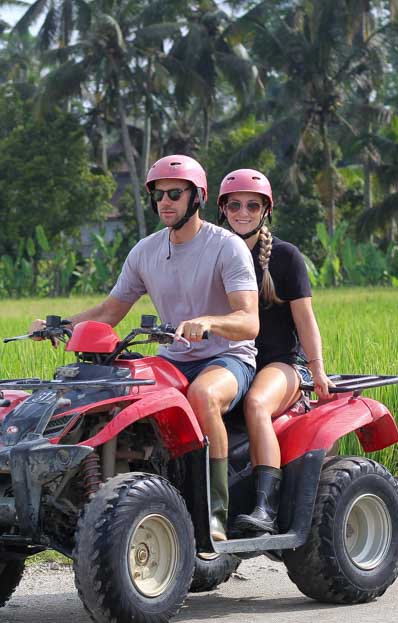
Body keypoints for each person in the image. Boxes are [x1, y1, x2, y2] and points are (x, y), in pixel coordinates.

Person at [30, 155, 259, 542]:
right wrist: (60, 325)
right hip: (172, 358)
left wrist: (210, 322)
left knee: (203, 395)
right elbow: (109, 311)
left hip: (227, 358)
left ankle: (216, 512)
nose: (164, 202)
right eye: (157, 195)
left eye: (174, 193)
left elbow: (249, 321)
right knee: (116, 392)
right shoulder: (145, 252)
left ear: (197, 197)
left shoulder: (227, 247)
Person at [216, 169, 335, 535]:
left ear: (266, 210)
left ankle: (265, 507)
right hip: (231, 360)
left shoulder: (285, 257)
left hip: (279, 364)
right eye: (234, 205)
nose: (243, 212)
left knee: (255, 404)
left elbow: (305, 319)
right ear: (222, 209)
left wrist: (317, 371)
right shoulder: (214, 253)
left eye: (252, 205)